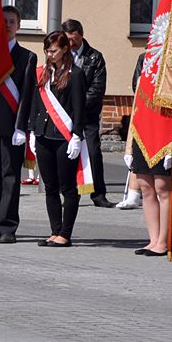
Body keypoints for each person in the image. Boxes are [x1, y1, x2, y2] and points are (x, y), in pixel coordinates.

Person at [0, 6, 37, 244]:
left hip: (12, 127)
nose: (8, 25)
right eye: (3, 21)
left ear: (19, 26)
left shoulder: (26, 57)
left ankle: (7, 227)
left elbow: (27, 94)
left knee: (10, 177)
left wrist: (22, 127)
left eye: (12, 21)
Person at [29, 31, 87, 247]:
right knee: (50, 187)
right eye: (47, 50)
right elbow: (36, 103)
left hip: (64, 137)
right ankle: (54, 231)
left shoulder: (76, 74)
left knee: (67, 187)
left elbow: (80, 109)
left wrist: (77, 136)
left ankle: (65, 233)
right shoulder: (43, 73)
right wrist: (32, 131)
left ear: (65, 49)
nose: (49, 54)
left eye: (53, 50)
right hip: (44, 134)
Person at [62, 19, 113, 208]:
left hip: (87, 114)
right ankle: (67, 192)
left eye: (73, 39)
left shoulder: (95, 57)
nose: (70, 44)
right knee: (66, 153)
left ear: (81, 35)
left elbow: (97, 88)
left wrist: (78, 107)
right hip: (64, 114)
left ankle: (98, 194)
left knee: (92, 151)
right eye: (67, 40)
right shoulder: (61, 54)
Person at [117, 53, 146, 210]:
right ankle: (133, 194)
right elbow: (137, 85)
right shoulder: (145, 57)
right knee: (137, 149)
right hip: (145, 105)